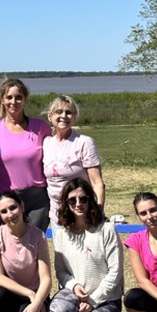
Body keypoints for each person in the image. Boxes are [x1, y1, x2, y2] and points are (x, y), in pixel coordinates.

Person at [47, 179, 124, 312]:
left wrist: (93, 301)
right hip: (77, 295)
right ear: (66, 204)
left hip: (106, 300)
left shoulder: (107, 229)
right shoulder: (62, 233)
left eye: (83, 199)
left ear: (91, 200)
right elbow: (61, 271)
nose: (78, 204)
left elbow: (116, 273)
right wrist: (73, 285)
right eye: (72, 200)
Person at [0, 78, 51, 232]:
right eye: (9, 97)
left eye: (18, 97)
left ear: (25, 99)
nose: (14, 101)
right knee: (10, 247)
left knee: (33, 246)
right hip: (7, 198)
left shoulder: (41, 127)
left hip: (38, 199)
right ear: (2, 100)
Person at [42, 95, 105, 238]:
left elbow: (97, 182)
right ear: (50, 116)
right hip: (57, 215)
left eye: (68, 112)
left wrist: (98, 211)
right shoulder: (46, 143)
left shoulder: (84, 143)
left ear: (74, 117)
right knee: (63, 258)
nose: (63, 116)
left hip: (81, 212)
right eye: (58, 112)